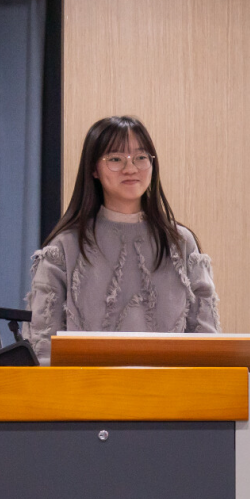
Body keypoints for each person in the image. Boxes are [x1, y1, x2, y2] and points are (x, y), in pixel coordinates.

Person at [24, 115, 219, 363]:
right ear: (94, 169)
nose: (131, 168)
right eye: (115, 159)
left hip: (169, 386)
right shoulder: (64, 246)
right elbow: (43, 347)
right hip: (86, 386)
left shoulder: (180, 242)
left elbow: (207, 340)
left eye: (141, 157)